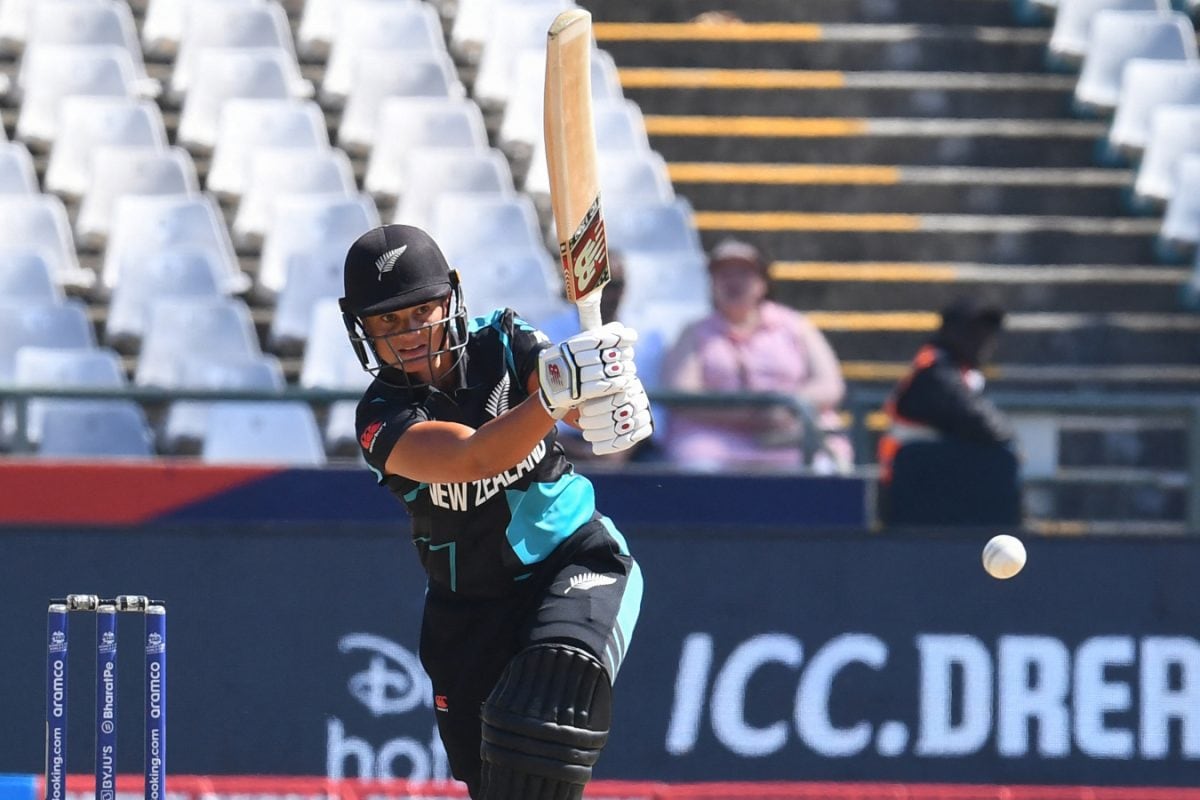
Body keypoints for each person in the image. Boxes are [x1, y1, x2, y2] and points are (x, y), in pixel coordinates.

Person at [339, 224, 652, 799]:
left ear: (450, 298)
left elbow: (569, 400)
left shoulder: (503, 338)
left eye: (422, 311)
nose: (410, 333)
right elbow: (473, 457)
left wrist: (605, 388)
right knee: (502, 783)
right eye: (388, 322)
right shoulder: (379, 417)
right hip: (468, 610)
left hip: (573, 559)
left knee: (550, 699)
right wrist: (557, 395)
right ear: (363, 330)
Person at [659, 238, 852, 473]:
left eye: (743, 273)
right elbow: (682, 394)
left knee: (825, 465)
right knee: (696, 468)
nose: (733, 281)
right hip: (714, 439)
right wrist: (746, 414)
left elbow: (829, 385)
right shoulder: (694, 333)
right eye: (724, 274)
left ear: (763, 282)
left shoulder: (795, 326)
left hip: (789, 436)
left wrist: (784, 409)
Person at [876, 297, 1021, 527]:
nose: (983, 340)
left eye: (987, 333)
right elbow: (984, 425)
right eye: (973, 331)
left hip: (937, 491)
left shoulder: (962, 373)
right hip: (914, 496)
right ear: (950, 332)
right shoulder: (934, 371)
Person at [538, 252, 665, 464]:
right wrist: (584, 451)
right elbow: (540, 410)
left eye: (615, 285)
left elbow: (654, 408)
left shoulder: (648, 336)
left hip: (632, 443)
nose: (607, 294)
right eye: (598, 286)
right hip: (564, 443)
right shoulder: (547, 334)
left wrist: (619, 450)